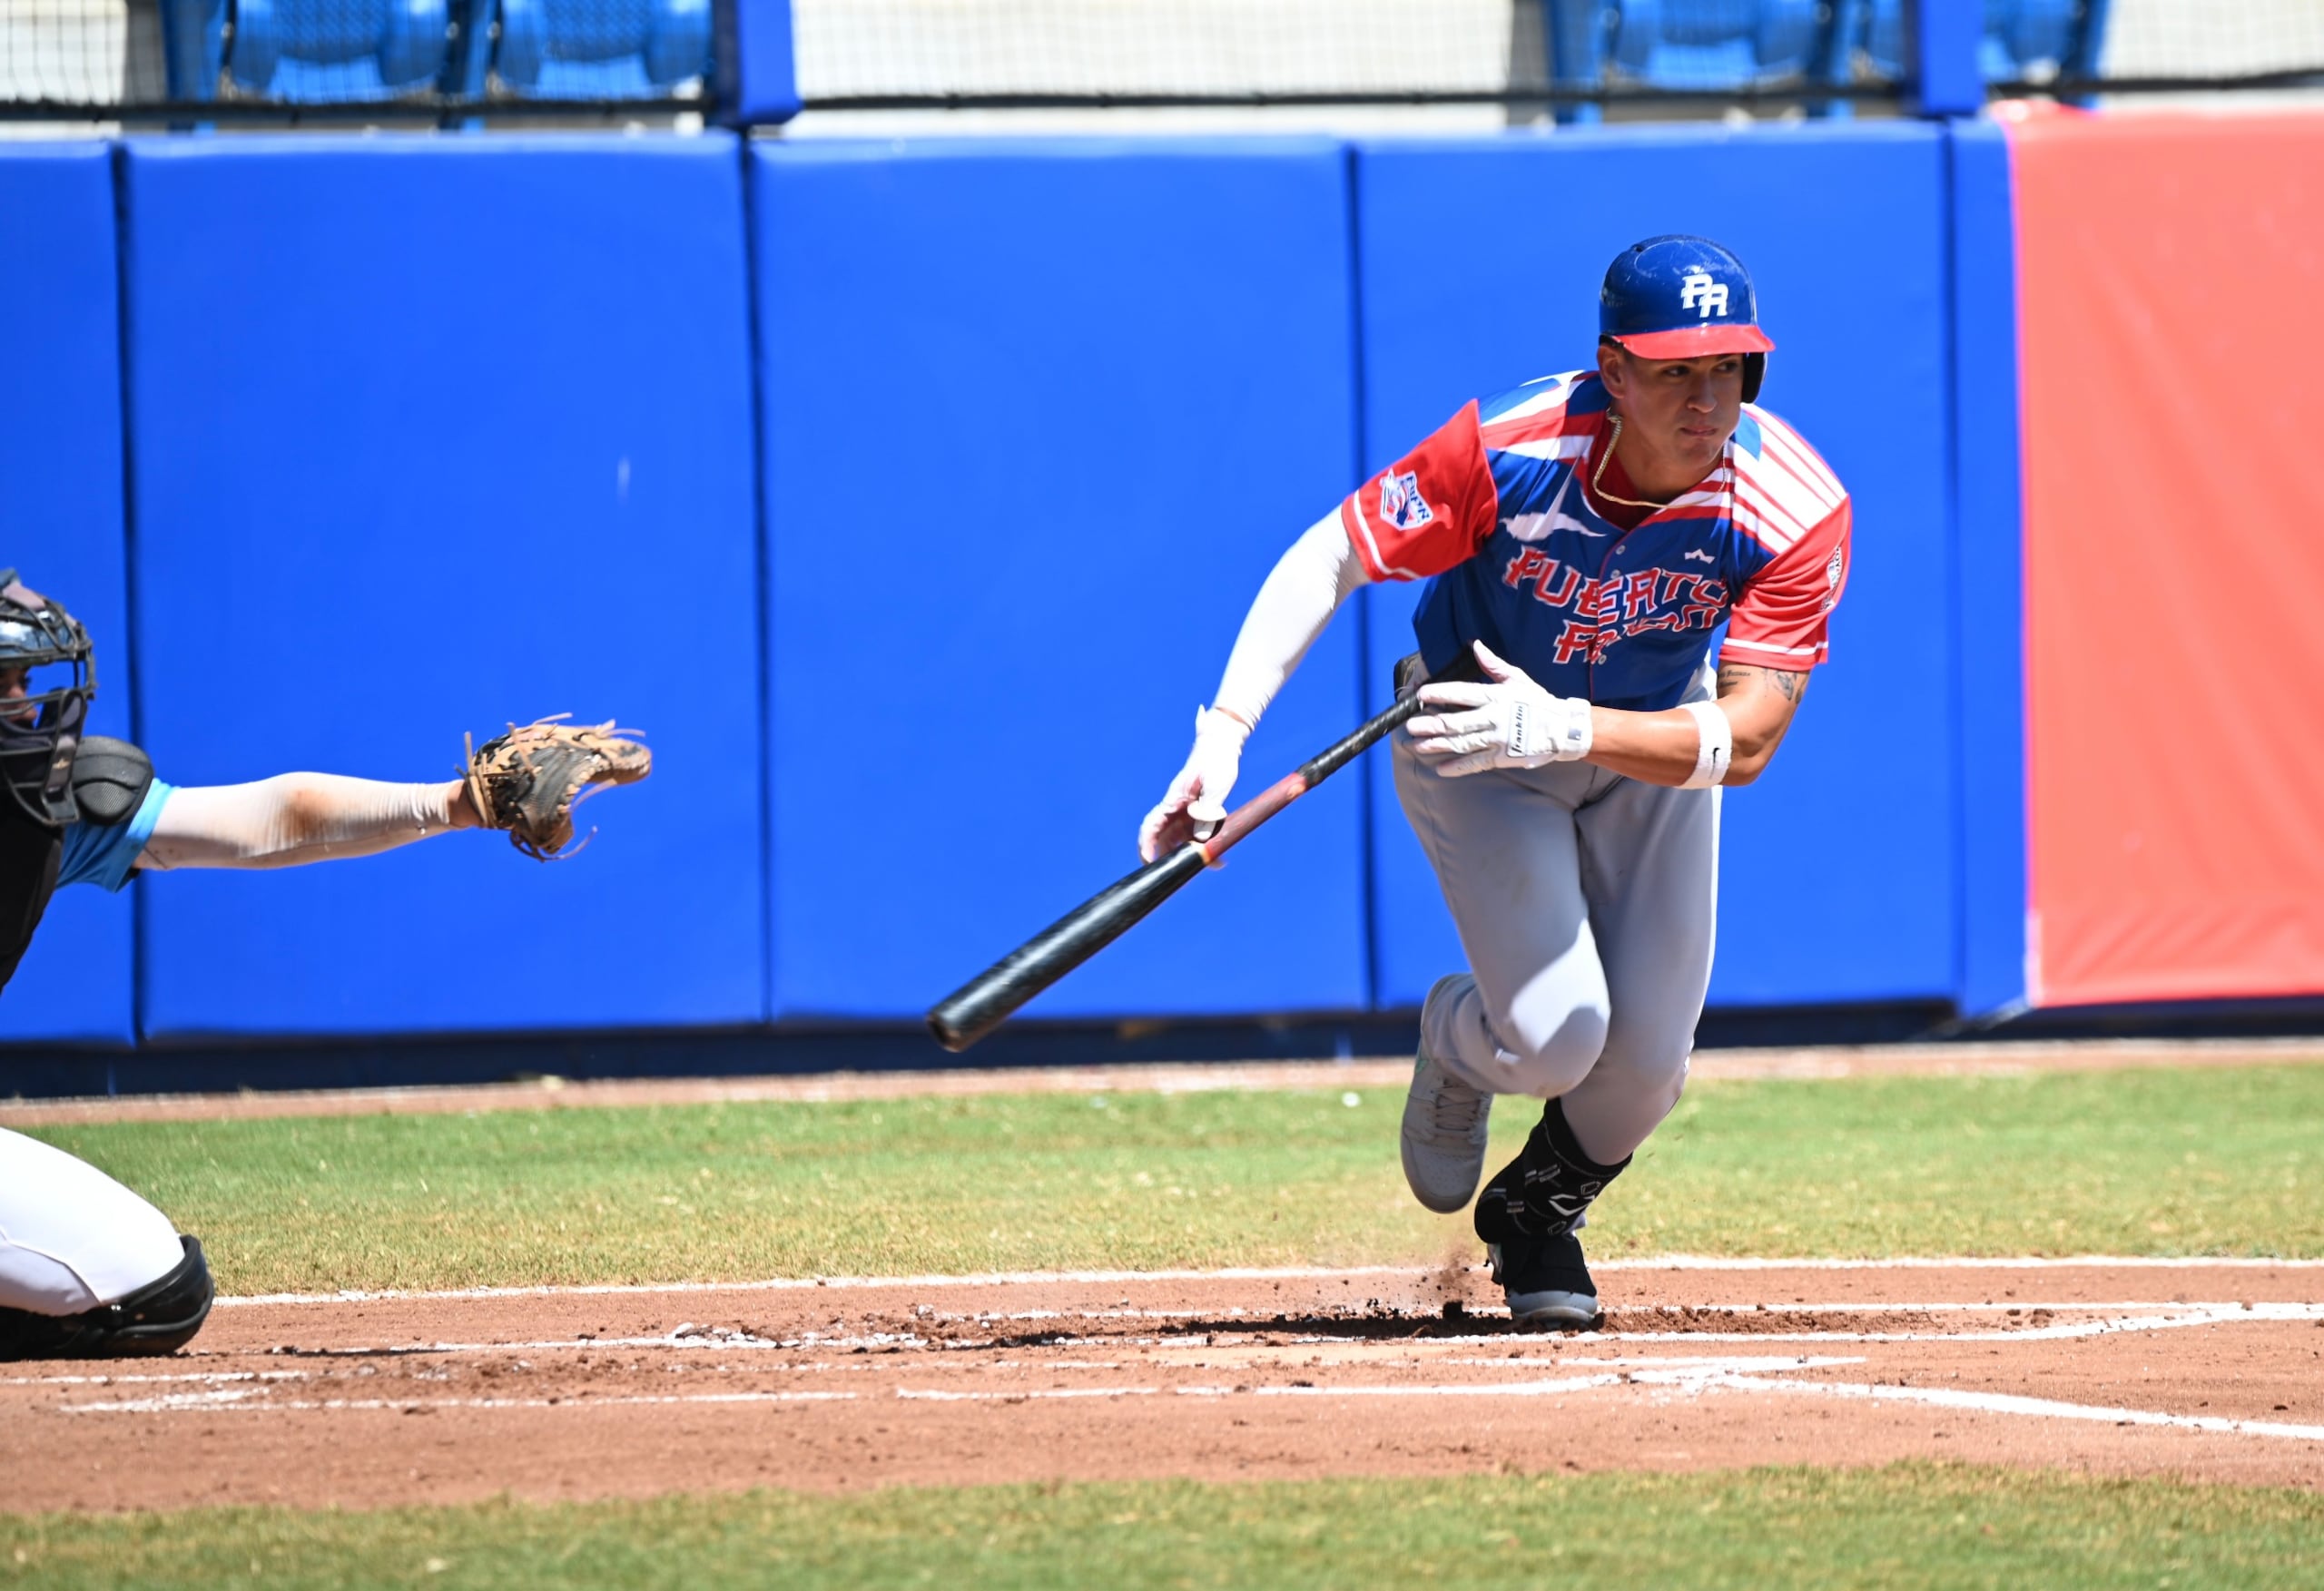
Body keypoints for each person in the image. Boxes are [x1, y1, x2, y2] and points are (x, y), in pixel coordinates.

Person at [1139, 237, 1850, 1325]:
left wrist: (1570, 723)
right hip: (1477, 737)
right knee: (1560, 1033)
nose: (1706, 400)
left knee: (1646, 1068)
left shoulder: (1791, 503)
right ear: (1612, 371)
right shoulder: (1510, 447)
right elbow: (1330, 554)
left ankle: (1532, 1218)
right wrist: (1224, 735)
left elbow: (1746, 741)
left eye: (1728, 370)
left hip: (1641, 743)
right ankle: (1455, 1038)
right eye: (1672, 372)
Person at [0, 571, 650, 1360]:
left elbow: (275, 817)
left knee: (153, 1284)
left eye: (28, 679)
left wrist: (459, 803)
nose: (31, 706)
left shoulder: (34, 809)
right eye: (10, 681)